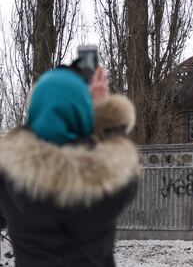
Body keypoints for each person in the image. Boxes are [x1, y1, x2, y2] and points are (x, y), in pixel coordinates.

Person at [0, 65, 141, 267]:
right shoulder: (110, 177)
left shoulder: (8, 175)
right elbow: (122, 155)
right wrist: (103, 110)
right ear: (83, 112)